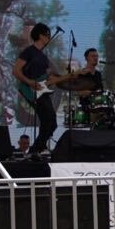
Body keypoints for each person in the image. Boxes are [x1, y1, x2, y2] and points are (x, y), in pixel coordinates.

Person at [15, 23, 66, 157]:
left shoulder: (43, 56)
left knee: (51, 122)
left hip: (42, 91)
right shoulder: (29, 51)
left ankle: (37, 149)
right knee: (49, 121)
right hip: (30, 89)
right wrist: (29, 82)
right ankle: (36, 150)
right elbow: (16, 71)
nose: (49, 36)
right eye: (47, 34)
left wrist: (68, 77)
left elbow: (48, 76)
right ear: (40, 35)